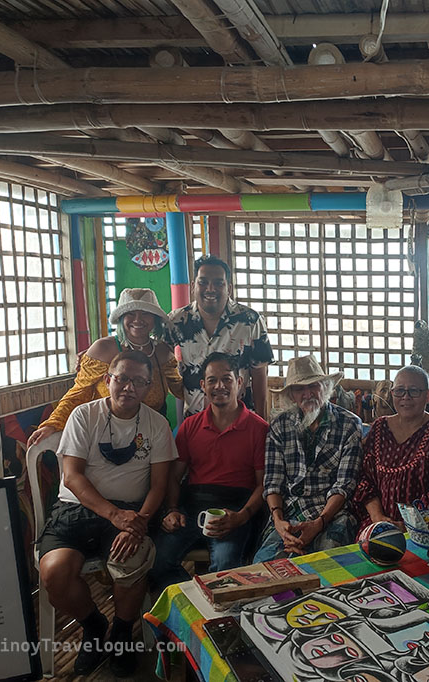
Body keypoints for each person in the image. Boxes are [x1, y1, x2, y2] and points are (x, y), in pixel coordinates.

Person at [37, 351, 175, 676]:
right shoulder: (84, 416)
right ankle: (95, 626)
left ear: (148, 387)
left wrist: (137, 522)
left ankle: (123, 634)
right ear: (107, 380)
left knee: (131, 561)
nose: (129, 387)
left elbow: (158, 485)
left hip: (131, 514)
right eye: (123, 378)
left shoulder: (157, 424)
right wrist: (114, 515)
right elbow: (71, 476)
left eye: (139, 381)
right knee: (54, 574)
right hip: (75, 509)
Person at [150, 352, 268, 590]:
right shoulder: (190, 426)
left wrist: (242, 516)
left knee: (226, 569)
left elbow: (263, 484)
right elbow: (174, 477)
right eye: (212, 380)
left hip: (235, 510)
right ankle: (198, 606)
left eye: (227, 379)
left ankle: (214, 611)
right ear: (203, 385)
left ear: (240, 383)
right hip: (192, 506)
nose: (219, 386)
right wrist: (172, 509)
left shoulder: (258, 428)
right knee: (157, 563)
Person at [28, 287, 182, 446]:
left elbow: (181, 389)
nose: (138, 319)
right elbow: (79, 392)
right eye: (130, 313)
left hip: (151, 437)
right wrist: (52, 424)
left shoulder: (163, 352)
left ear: (155, 319)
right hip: (104, 437)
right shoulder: (103, 349)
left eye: (145, 313)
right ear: (121, 318)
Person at [254, 354, 363, 562]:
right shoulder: (279, 426)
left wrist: (318, 524)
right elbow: (272, 483)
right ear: (292, 395)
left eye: (313, 386)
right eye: (299, 389)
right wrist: (278, 521)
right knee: (263, 567)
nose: (307, 394)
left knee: (327, 567)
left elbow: (344, 485)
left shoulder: (349, 424)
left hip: (332, 514)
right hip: (288, 513)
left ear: (325, 386)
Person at [353, 365, 429, 534]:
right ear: (392, 393)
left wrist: (410, 524)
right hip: (377, 524)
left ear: (428, 396)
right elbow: (365, 479)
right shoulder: (379, 427)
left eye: (414, 391)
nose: (406, 397)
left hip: (425, 528)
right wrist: (378, 517)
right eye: (400, 391)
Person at [166, 255, 274, 417]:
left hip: (240, 420)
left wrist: (261, 422)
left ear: (229, 288)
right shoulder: (177, 320)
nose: (210, 289)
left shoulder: (250, 320)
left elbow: (259, 374)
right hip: (196, 420)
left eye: (218, 283)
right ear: (193, 286)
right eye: (203, 282)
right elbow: (160, 358)